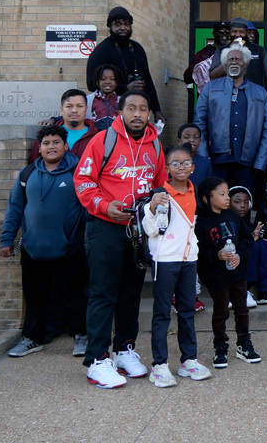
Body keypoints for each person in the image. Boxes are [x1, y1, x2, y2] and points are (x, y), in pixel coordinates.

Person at [75, 90, 166, 389]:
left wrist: (156, 209)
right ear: (121, 112)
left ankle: (125, 348)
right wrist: (104, 205)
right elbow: (84, 180)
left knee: (131, 292)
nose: (138, 114)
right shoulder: (103, 140)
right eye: (132, 108)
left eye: (143, 109)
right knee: (103, 293)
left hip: (138, 230)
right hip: (105, 226)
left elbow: (159, 184)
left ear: (150, 114)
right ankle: (98, 360)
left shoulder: (155, 144)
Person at [0, 125, 87, 359]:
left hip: (69, 247)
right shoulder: (27, 174)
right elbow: (15, 208)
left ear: (65, 145)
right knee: (35, 295)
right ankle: (32, 338)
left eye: (56, 142)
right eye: (46, 143)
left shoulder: (79, 172)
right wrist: (7, 238)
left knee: (74, 295)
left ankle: (81, 334)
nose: (51, 147)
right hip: (33, 248)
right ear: (39, 148)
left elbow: (88, 208)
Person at [142, 146, 211, 386]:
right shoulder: (160, 194)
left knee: (187, 311)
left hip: (188, 260)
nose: (181, 166)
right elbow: (150, 229)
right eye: (175, 163)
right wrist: (151, 207)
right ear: (167, 167)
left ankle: (188, 360)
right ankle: (159, 365)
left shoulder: (195, 191)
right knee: (162, 313)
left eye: (186, 162)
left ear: (193, 166)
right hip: (165, 261)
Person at [195, 43, 267, 203]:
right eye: (230, 60)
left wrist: (260, 162)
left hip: (247, 162)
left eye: (238, 59)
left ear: (245, 63)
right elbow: (199, 124)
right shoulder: (210, 88)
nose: (234, 62)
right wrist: (203, 157)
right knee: (215, 204)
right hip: (217, 160)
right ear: (224, 64)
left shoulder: (260, 93)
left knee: (242, 207)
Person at [196, 176, 260, 367]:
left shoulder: (233, 216)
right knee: (221, 312)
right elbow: (198, 252)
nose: (227, 197)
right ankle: (220, 346)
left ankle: (244, 343)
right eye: (222, 194)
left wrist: (240, 254)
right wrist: (217, 255)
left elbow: (247, 239)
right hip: (217, 277)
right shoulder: (201, 223)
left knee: (242, 310)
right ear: (207, 198)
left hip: (237, 273)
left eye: (227, 193)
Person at [85, 6, 165, 125]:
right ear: (110, 26)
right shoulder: (101, 51)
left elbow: (148, 80)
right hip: (113, 113)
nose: (123, 27)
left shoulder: (138, 49)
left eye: (126, 24)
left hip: (138, 110)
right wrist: (125, 87)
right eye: (117, 24)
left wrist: (157, 110)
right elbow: (91, 84)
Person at [209, 17, 267, 107]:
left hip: (255, 101)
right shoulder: (221, 51)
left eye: (241, 32)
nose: (238, 35)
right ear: (230, 33)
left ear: (246, 33)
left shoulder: (259, 51)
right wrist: (230, 53)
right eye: (234, 31)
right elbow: (213, 76)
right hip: (228, 102)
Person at [27, 88, 96, 164]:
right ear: (62, 110)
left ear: (86, 110)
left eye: (79, 106)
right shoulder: (48, 135)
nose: (74, 110)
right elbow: (34, 164)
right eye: (69, 106)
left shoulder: (96, 136)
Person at [183, 20, 230, 87]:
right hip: (208, 94)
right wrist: (204, 67)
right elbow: (187, 77)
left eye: (227, 32)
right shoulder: (204, 53)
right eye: (221, 31)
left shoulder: (231, 53)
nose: (224, 34)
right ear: (214, 33)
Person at [176, 123, 213, 188]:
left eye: (195, 137)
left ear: (199, 141)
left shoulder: (205, 162)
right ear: (179, 141)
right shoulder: (171, 161)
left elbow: (208, 185)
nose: (191, 140)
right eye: (186, 137)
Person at [86, 64, 121, 131]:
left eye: (112, 79)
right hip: (94, 138)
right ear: (97, 82)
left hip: (116, 138)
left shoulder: (122, 101)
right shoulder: (89, 100)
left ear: (116, 82)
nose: (107, 82)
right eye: (103, 79)